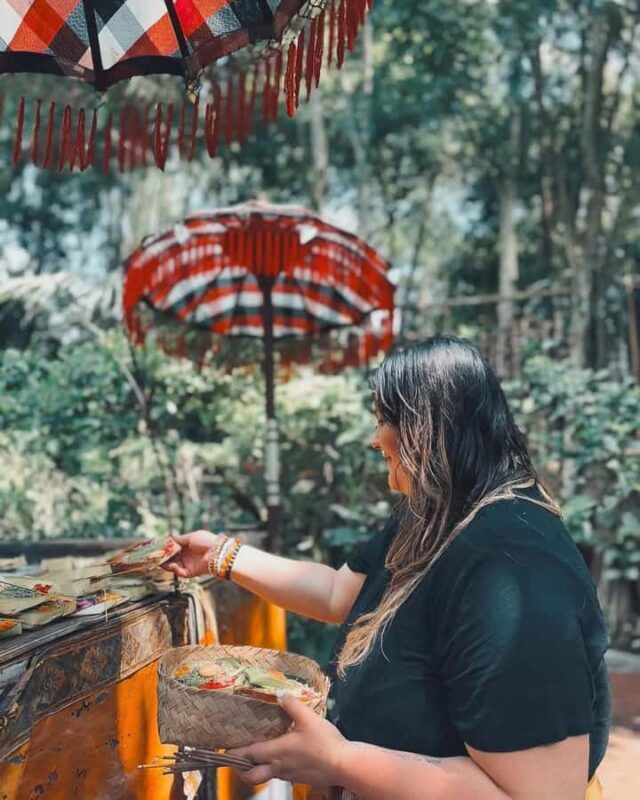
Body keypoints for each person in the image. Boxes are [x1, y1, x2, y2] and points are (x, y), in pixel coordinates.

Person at [165, 336, 610, 800]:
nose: (374, 439)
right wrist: (220, 554)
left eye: (382, 421)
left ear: (428, 428)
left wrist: (339, 761)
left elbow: (540, 795)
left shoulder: (512, 563)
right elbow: (338, 592)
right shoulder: (436, 513)